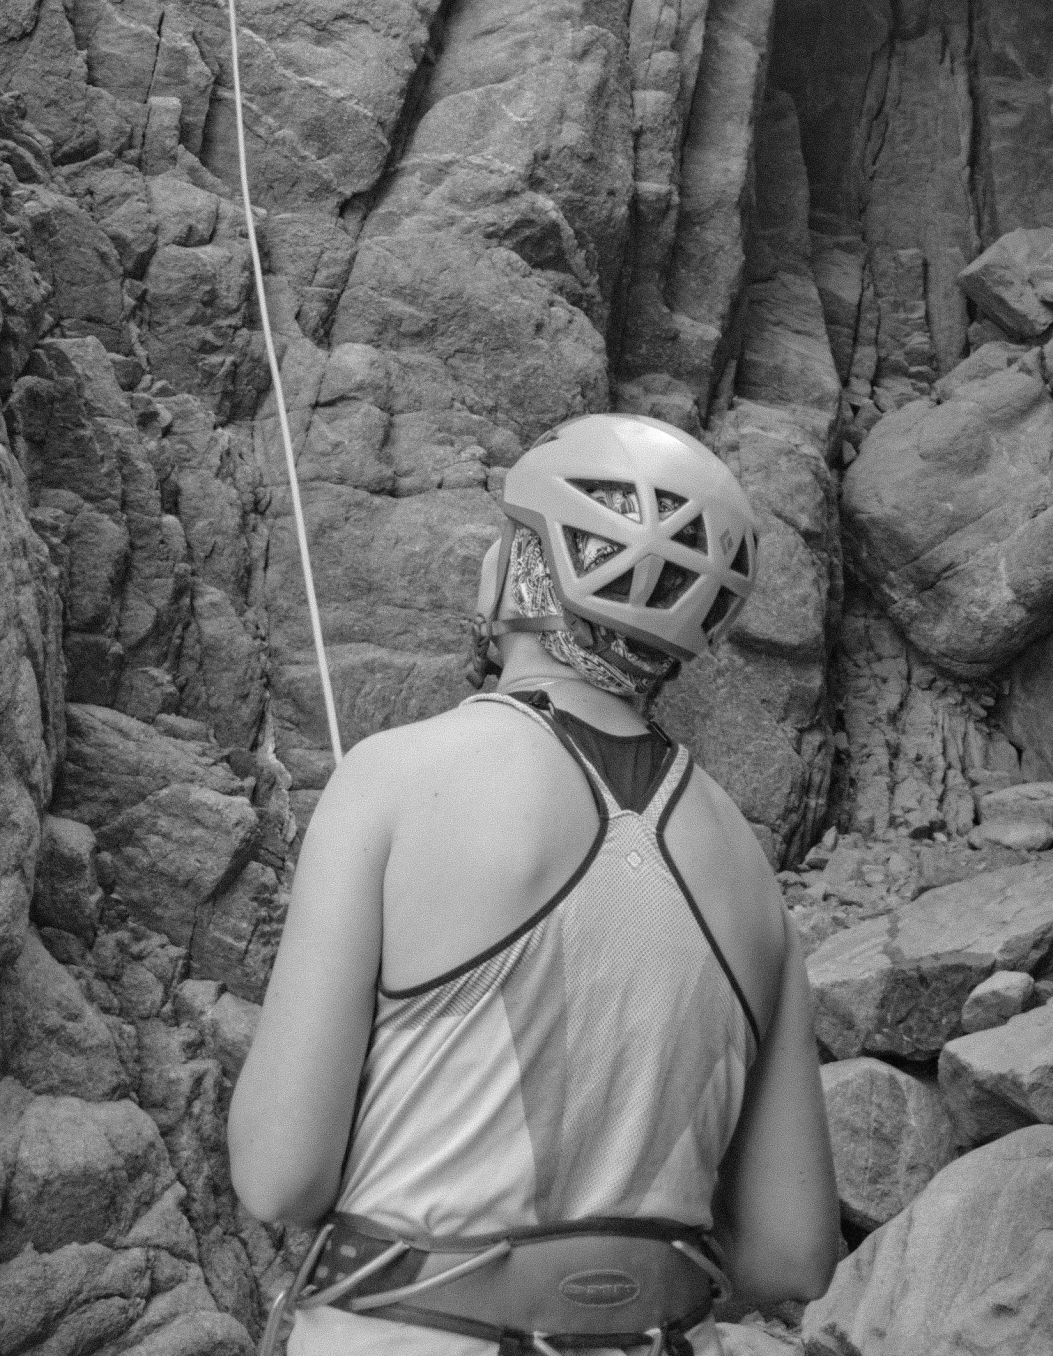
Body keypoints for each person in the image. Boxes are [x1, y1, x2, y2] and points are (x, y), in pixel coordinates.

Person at [228, 415, 839, 1356]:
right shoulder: (749, 871)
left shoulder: (393, 779)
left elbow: (279, 1177)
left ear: (524, 565)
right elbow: (790, 1255)